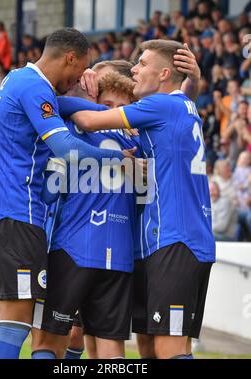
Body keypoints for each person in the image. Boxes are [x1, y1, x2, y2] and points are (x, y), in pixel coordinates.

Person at [0, 28, 134, 360]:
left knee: (21, 321)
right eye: (80, 70)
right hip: (16, 213)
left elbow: (63, 104)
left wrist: (113, 114)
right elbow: (65, 147)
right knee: (14, 325)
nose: (80, 78)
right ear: (70, 58)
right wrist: (117, 157)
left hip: (10, 213)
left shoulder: (20, 81)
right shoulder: (34, 87)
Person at [64, 39, 215, 359]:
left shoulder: (161, 106)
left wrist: (56, 98)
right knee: (155, 344)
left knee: (169, 349)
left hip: (175, 241)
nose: (134, 69)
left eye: (142, 63)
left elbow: (89, 121)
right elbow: (179, 101)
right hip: (179, 241)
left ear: (163, 74)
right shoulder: (182, 107)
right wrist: (195, 83)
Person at [31, 72, 143, 359]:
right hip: (119, 256)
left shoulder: (73, 131)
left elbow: (49, 193)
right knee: (110, 348)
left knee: (47, 342)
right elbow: (144, 199)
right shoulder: (139, 142)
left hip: (74, 247)